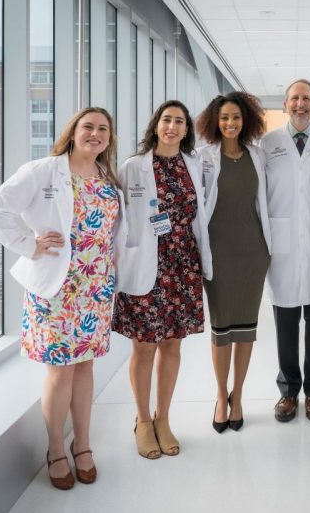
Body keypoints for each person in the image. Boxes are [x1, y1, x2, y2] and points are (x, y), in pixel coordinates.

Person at [0, 107, 125, 489]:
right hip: (57, 290)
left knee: (85, 368)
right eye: (88, 127)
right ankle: (56, 449)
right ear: (73, 132)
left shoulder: (107, 177)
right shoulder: (44, 171)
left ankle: (84, 445)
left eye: (103, 129)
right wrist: (28, 245)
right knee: (60, 371)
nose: (95, 134)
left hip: (94, 289)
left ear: (109, 138)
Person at [112, 100, 211, 459]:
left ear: (186, 131)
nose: (172, 126)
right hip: (146, 267)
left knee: (172, 345)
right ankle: (142, 420)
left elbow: (202, 212)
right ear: (156, 125)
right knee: (144, 346)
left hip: (183, 266)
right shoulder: (133, 167)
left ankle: (163, 418)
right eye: (167, 120)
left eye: (179, 122)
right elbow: (117, 219)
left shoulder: (194, 165)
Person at [260, 79, 310, 423]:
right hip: (284, 246)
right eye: (294, 98)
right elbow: (260, 195)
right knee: (286, 323)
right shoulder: (268, 144)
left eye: (307, 98)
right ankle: (288, 391)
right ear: (284, 104)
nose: (300, 104)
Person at [195, 92, 271, 433]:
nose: (230, 123)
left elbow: (264, 202)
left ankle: (237, 396)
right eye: (224, 117)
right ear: (215, 121)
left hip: (253, 252)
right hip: (218, 252)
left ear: (246, 120)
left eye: (236, 117)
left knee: (246, 331)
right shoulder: (203, 158)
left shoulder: (257, 156)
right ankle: (218, 394)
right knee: (221, 330)